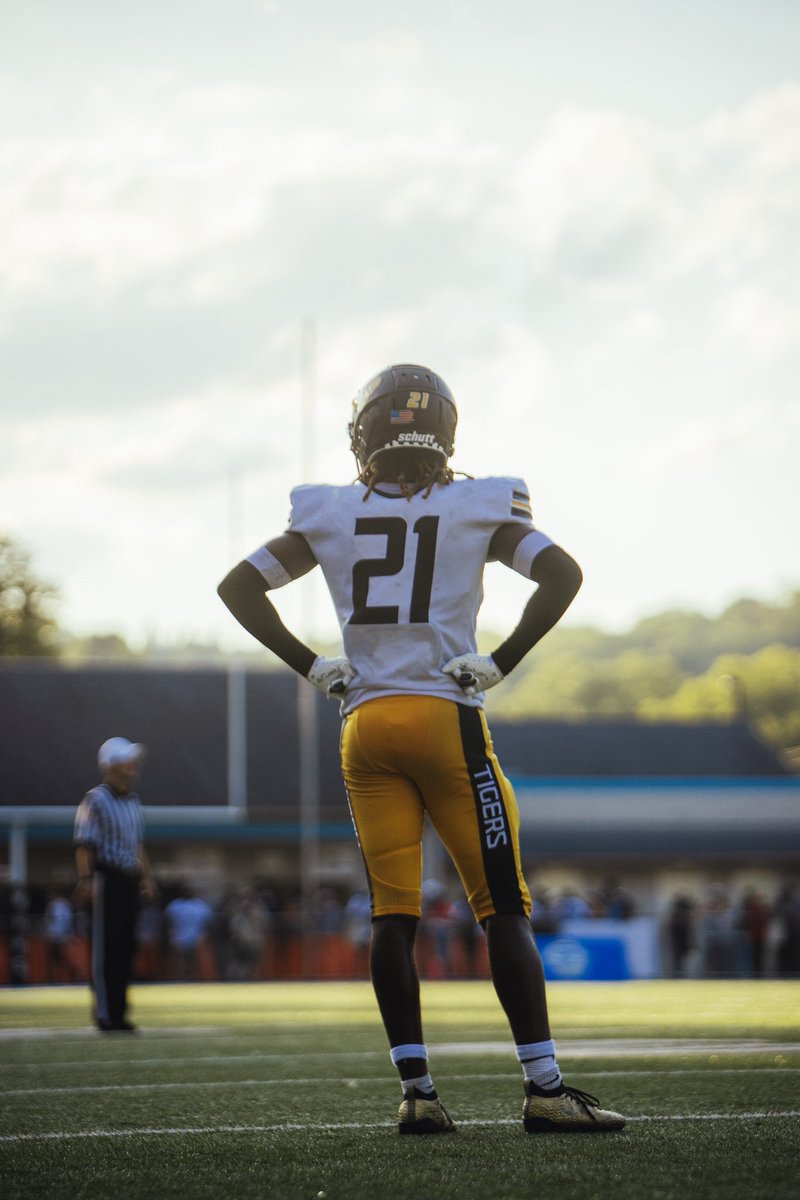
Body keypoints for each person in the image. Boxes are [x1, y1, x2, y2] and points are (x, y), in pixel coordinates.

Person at [218, 362, 625, 1135]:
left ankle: (418, 1093)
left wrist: (312, 665)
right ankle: (543, 1087)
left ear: (364, 430)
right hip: (446, 716)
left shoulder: (328, 511)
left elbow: (238, 587)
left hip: (366, 727)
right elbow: (563, 574)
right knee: (501, 906)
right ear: (446, 429)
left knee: (392, 915)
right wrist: (502, 661)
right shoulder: (481, 501)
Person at [73, 737, 157, 1031]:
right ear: (110, 766)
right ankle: (105, 1012)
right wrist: (87, 879)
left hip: (128, 880)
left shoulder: (133, 801)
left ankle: (120, 1012)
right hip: (106, 878)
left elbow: (138, 845)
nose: (133, 765)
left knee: (125, 947)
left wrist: (146, 878)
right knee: (106, 948)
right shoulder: (95, 799)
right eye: (126, 760)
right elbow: (85, 844)